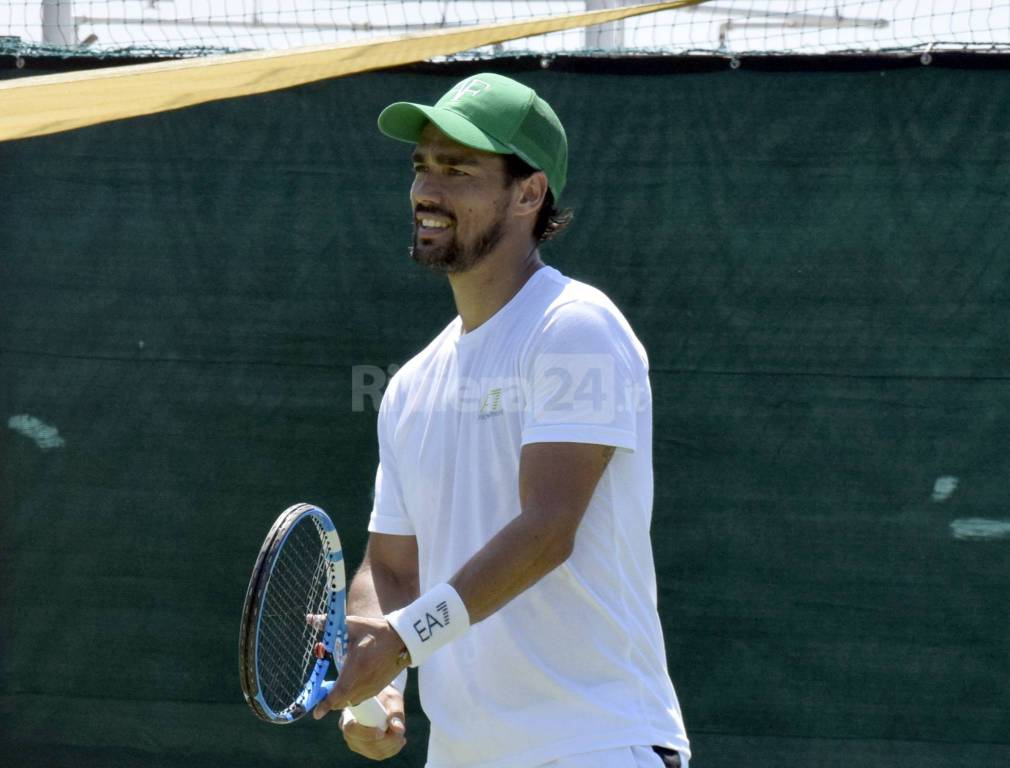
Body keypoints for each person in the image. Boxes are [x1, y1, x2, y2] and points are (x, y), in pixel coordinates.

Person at [312, 72, 690, 768]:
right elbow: (394, 566)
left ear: (528, 193)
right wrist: (381, 680)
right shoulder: (409, 387)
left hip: (595, 746)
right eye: (422, 166)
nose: (427, 190)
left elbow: (548, 531)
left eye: (458, 169)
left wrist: (399, 643)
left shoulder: (576, 328)